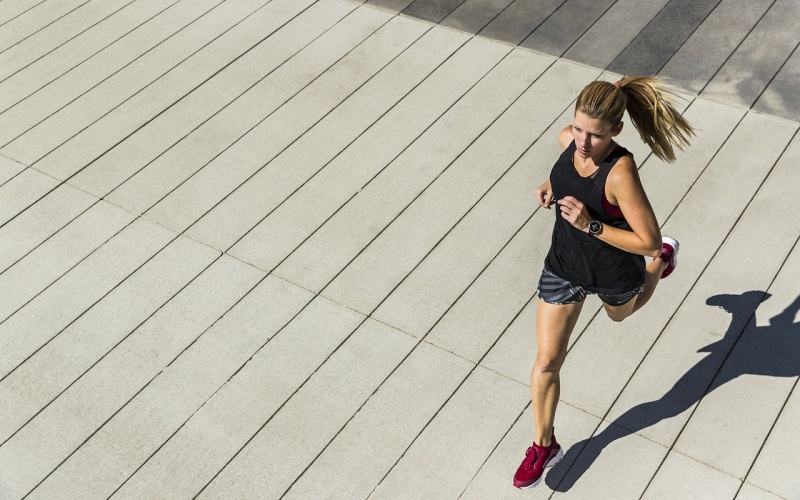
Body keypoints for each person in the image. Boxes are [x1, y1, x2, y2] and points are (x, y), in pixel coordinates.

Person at [512, 76, 695, 489]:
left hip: (614, 269)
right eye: (578, 128)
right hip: (564, 265)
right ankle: (544, 444)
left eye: (594, 134)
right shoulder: (568, 140)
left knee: (621, 315)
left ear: (616, 130)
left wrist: (590, 224)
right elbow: (564, 170)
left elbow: (645, 239)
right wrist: (549, 185)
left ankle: (666, 263)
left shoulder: (620, 172)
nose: (582, 141)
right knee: (546, 362)